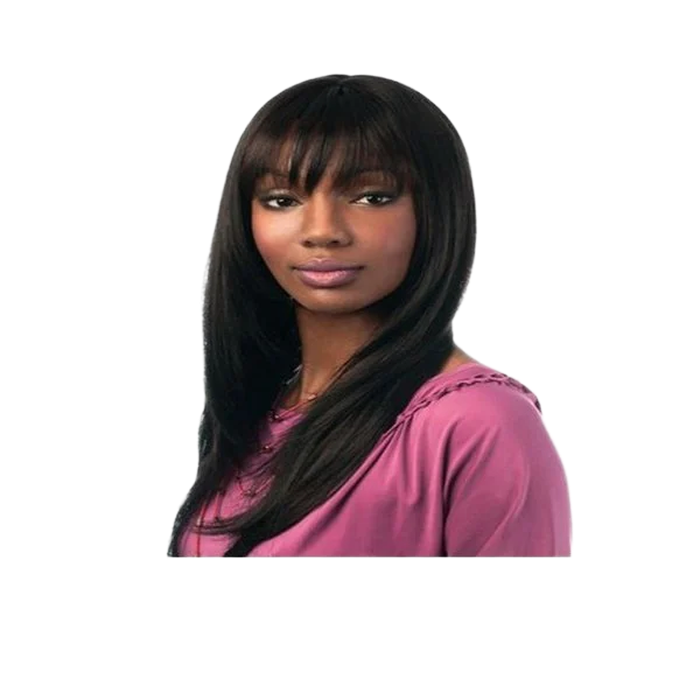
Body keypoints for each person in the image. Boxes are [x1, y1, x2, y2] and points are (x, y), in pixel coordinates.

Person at [165, 72, 575, 558]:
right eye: (282, 200)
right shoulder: (253, 412)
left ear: (435, 210)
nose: (323, 231)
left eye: (372, 197)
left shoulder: (481, 425)